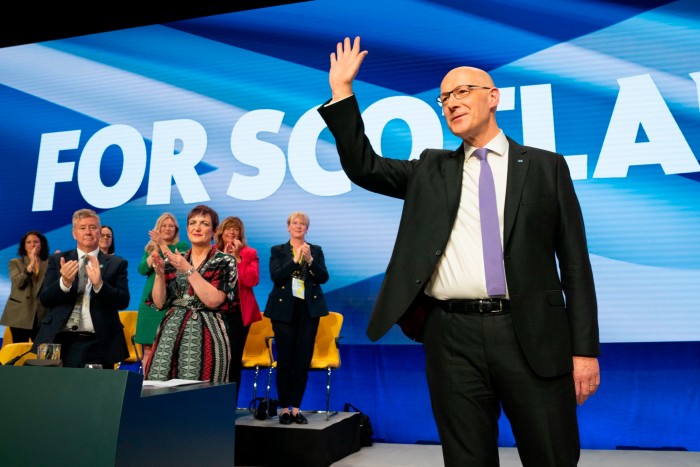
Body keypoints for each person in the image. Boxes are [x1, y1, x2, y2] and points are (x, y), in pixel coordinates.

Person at [318, 37, 600, 466]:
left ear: (493, 97)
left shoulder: (546, 167)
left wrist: (585, 351)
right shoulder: (432, 169)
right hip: (451, 336)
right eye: (443, 98)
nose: (450, 102)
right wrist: (343, 93)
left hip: (532, 334)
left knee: (552, 455)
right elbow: (364, 167)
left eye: (462, 92)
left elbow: (576, 265)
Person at [144, 204, 238, 382]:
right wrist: (159, 274)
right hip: (170, 333)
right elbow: (159, 302)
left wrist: (188, 270)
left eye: (204, 223)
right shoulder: (174, 260)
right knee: (158, 386)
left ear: (214, 230)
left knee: (200, 392)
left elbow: (213, 300)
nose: (197, 227)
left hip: (207, 332)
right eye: (193, 223)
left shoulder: (225, 261)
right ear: (187, 228)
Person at [34, 208, 130, 368]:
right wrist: (64, 283)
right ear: (74, 233)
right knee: (53, 390)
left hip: (99, 342)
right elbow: (45, 299)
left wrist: (100, 285)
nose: (88, 232)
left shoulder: (116, 263)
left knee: (97, 391)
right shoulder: (58, 260)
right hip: (58, 340)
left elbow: (123, 301)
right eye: (82, 227)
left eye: (93, 227)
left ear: (99, 232)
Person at [265, 211, 330, 425]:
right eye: (295, 223)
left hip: (308, 310)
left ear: (307, 228)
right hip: (283, 311)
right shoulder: (278, 250)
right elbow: (276, 276)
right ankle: (283, 408)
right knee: (285, 360)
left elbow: (323, 277)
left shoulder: (316, 250)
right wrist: (295, 260)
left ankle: (295, 408)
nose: (299, 226)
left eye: (303, 223)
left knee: (302, 361)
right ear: (288, 227)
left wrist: (310, 260)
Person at [215, 216, 262, 402]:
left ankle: (229, 404)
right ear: (221, 232)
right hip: (214, 313)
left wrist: (237, 258)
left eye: (235, 229)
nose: (232, 232)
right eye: (228, 229)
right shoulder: (213, 252)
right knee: (214, 359)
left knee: (233, 361)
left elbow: (251, 281)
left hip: (238, 314)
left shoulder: (250, 253)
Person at [134, 212, 189, 367]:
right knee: (148, 348)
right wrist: (155, 250)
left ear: (176, 230)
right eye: (164, 226)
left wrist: (162, 245)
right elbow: (142, 269)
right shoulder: (150, 249)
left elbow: (174, 262)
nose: (167, 228)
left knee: (170, 348)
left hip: (171, 301)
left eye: (171, 226)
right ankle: (146, 386)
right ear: (158, 229)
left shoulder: (182, 246)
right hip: (148, 302)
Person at [1, 231, 50, 342]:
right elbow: (18, 283)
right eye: (29, 242)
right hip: (20, 315)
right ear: (24, 246)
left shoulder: (49, 262)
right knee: (19, 350)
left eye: (36, 241)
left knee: (41, 352)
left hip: (42, 314)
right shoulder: (15, 262)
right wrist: (31, 265)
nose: (32, 244)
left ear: (41, 244)